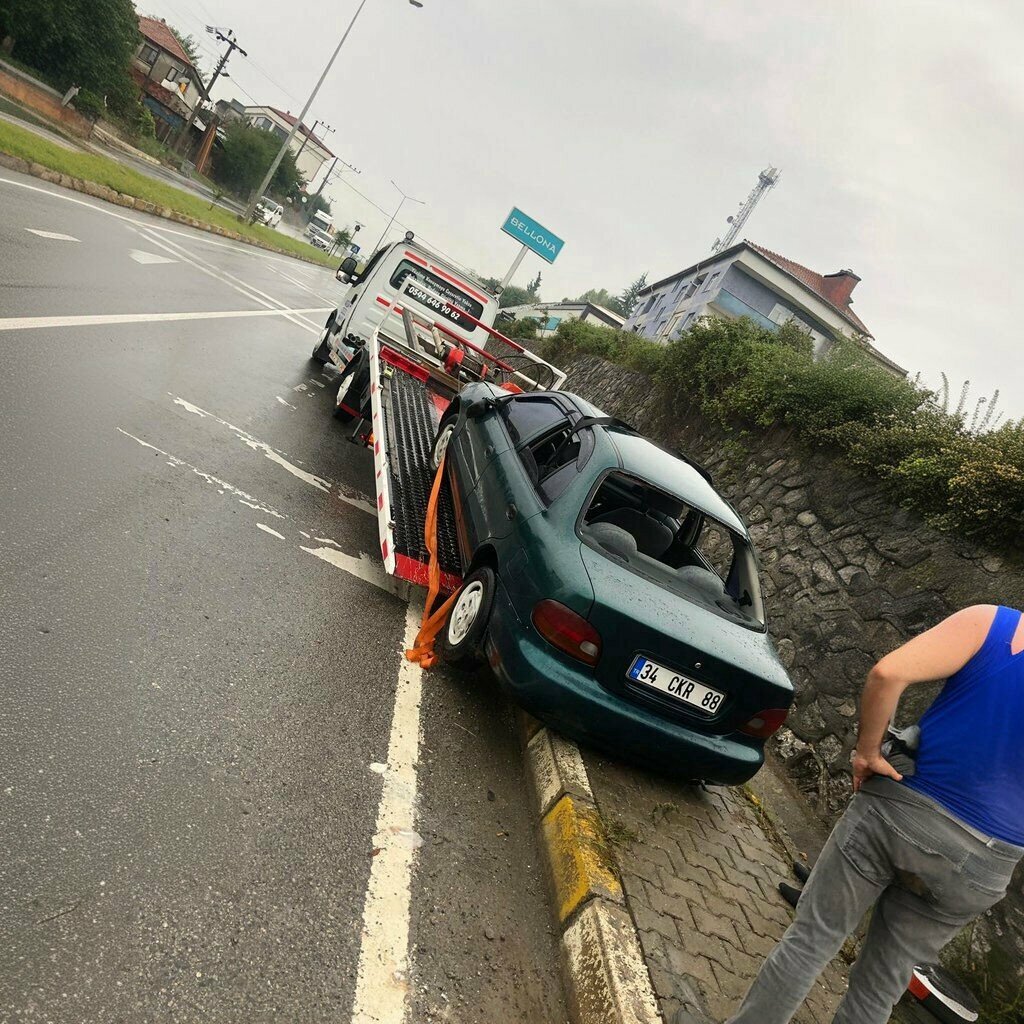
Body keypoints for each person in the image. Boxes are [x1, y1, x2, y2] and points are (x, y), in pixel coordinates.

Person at [675, 605, 1024, 1024]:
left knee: (813, 940)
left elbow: (887, 674)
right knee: (880, 985)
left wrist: (867, 753)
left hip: (900, 813)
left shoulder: (996, 625)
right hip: (985, 865)